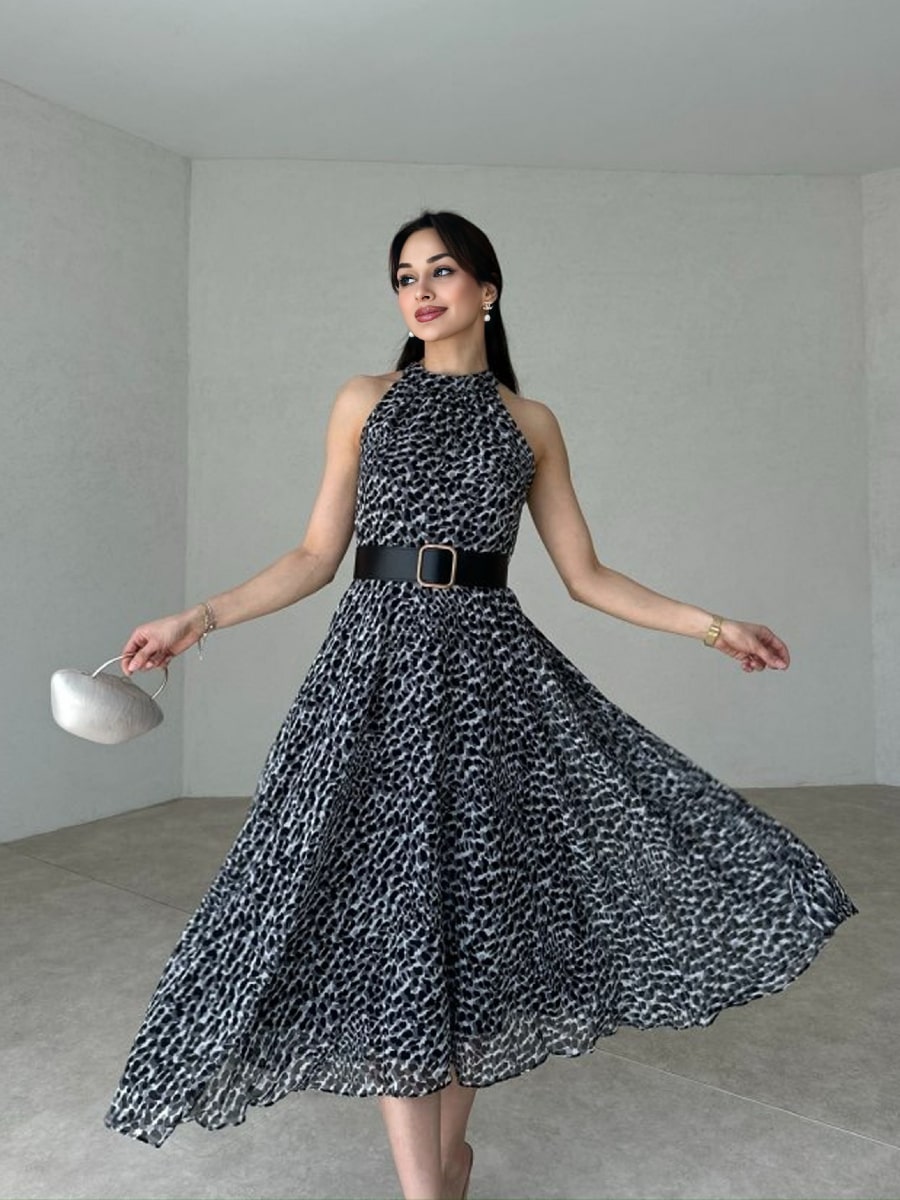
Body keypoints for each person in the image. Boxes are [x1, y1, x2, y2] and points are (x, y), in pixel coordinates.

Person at [103, 210, 858, 1200]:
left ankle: (449, 1163)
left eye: (442, 270)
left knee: (470, 930)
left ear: (486, 289)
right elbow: (315, 557)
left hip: (490, 686)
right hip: (374, 682)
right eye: (404, 276)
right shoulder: (365, 400)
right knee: (395, 927)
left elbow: (586, 576)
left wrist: (715, 628)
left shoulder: (528, 422)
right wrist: (196, 619)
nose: (420, 291)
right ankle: (431, 1187)